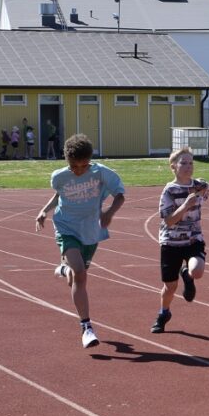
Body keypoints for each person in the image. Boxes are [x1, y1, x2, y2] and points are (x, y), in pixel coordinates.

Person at [34, 134, 126, 349]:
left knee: (75, 278)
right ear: (68, 162)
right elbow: (59, 195)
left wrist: (110, 213)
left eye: (84, 166)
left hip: (91, 230)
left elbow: (120, 195)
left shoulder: (101, 172)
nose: (79, 170)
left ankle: (64, 270)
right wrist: (44, 211)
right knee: (81, 276)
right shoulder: (59, 176)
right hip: (66, 227)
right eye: (75, 166)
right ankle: (87, 327)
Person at [151, 147, 209, 333]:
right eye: (183, 163)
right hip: (170, 242)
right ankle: (164, 313)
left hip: (193, 239)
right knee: (170, 287)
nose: (188, 166)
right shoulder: (169, 191)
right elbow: (168, 221)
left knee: (197, 271)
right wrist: (185, 205)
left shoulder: (199, 185)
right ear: (173, 167)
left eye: (191, 163)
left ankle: (188, 275)